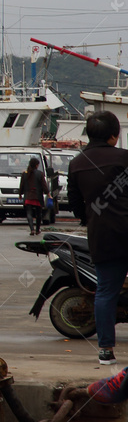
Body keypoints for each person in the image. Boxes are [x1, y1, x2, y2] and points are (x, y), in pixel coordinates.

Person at [68, 110, 128, 364]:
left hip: (102, 237)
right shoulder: (124, 158)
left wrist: (89, 218)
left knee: (105, 292)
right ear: (114, 136)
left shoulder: (76, 164)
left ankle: (105, 350)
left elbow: (75, 204)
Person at [19, 157, 47, 236]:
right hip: (37, 197)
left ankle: (32, 229)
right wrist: (48, 193)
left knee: (29, 213)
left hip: (28, 196)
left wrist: (20, 194)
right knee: (39, 214)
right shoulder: (40, 173)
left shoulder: (25, 173)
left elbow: (22, 185)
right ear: (37, 165)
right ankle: (37, 229)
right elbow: (44, 185)